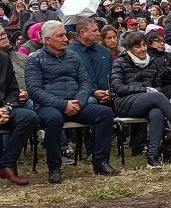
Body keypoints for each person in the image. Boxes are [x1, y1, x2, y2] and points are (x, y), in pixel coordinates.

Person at [26, 20, 119, 183]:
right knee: (54, 118)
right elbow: (35, 91)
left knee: (105, 113)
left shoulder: (73, 57)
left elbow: (85, 83)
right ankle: (54, 167)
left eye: (65, 35)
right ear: (47, 40)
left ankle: (100, 162)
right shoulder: (35, 60)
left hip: (75, 104)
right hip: (49, 106)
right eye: (60, 36)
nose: (65, 39)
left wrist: (79, 102)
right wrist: (64, 105)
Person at [110, 32, 171, 169]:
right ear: (129, 49)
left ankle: (152, 157)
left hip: (148, 102)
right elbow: (117, 87)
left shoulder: (151, 62)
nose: (143, 49)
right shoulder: (120, 62)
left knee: (157, 112)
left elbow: (159, 86)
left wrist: (153, 91)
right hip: (125, 103)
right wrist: (145, 90)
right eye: (137, 46)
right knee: (157, 97)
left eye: (144, 45)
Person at [0, 50, 38, 186]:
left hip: (3, 109)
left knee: (28, 117)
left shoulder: (3, 58)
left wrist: (7, 108)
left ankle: (6, 165)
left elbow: (13, 89)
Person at [67, 18, 113, 107]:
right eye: (94, 31)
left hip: (109, 98)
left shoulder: (105, 52)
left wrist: (111, 92)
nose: (98, 33)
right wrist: (92, 92)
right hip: (84, 101)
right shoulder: (69, 54)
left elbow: (113, 76)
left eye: (98, 30)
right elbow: (69, 81)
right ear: (82, 33)